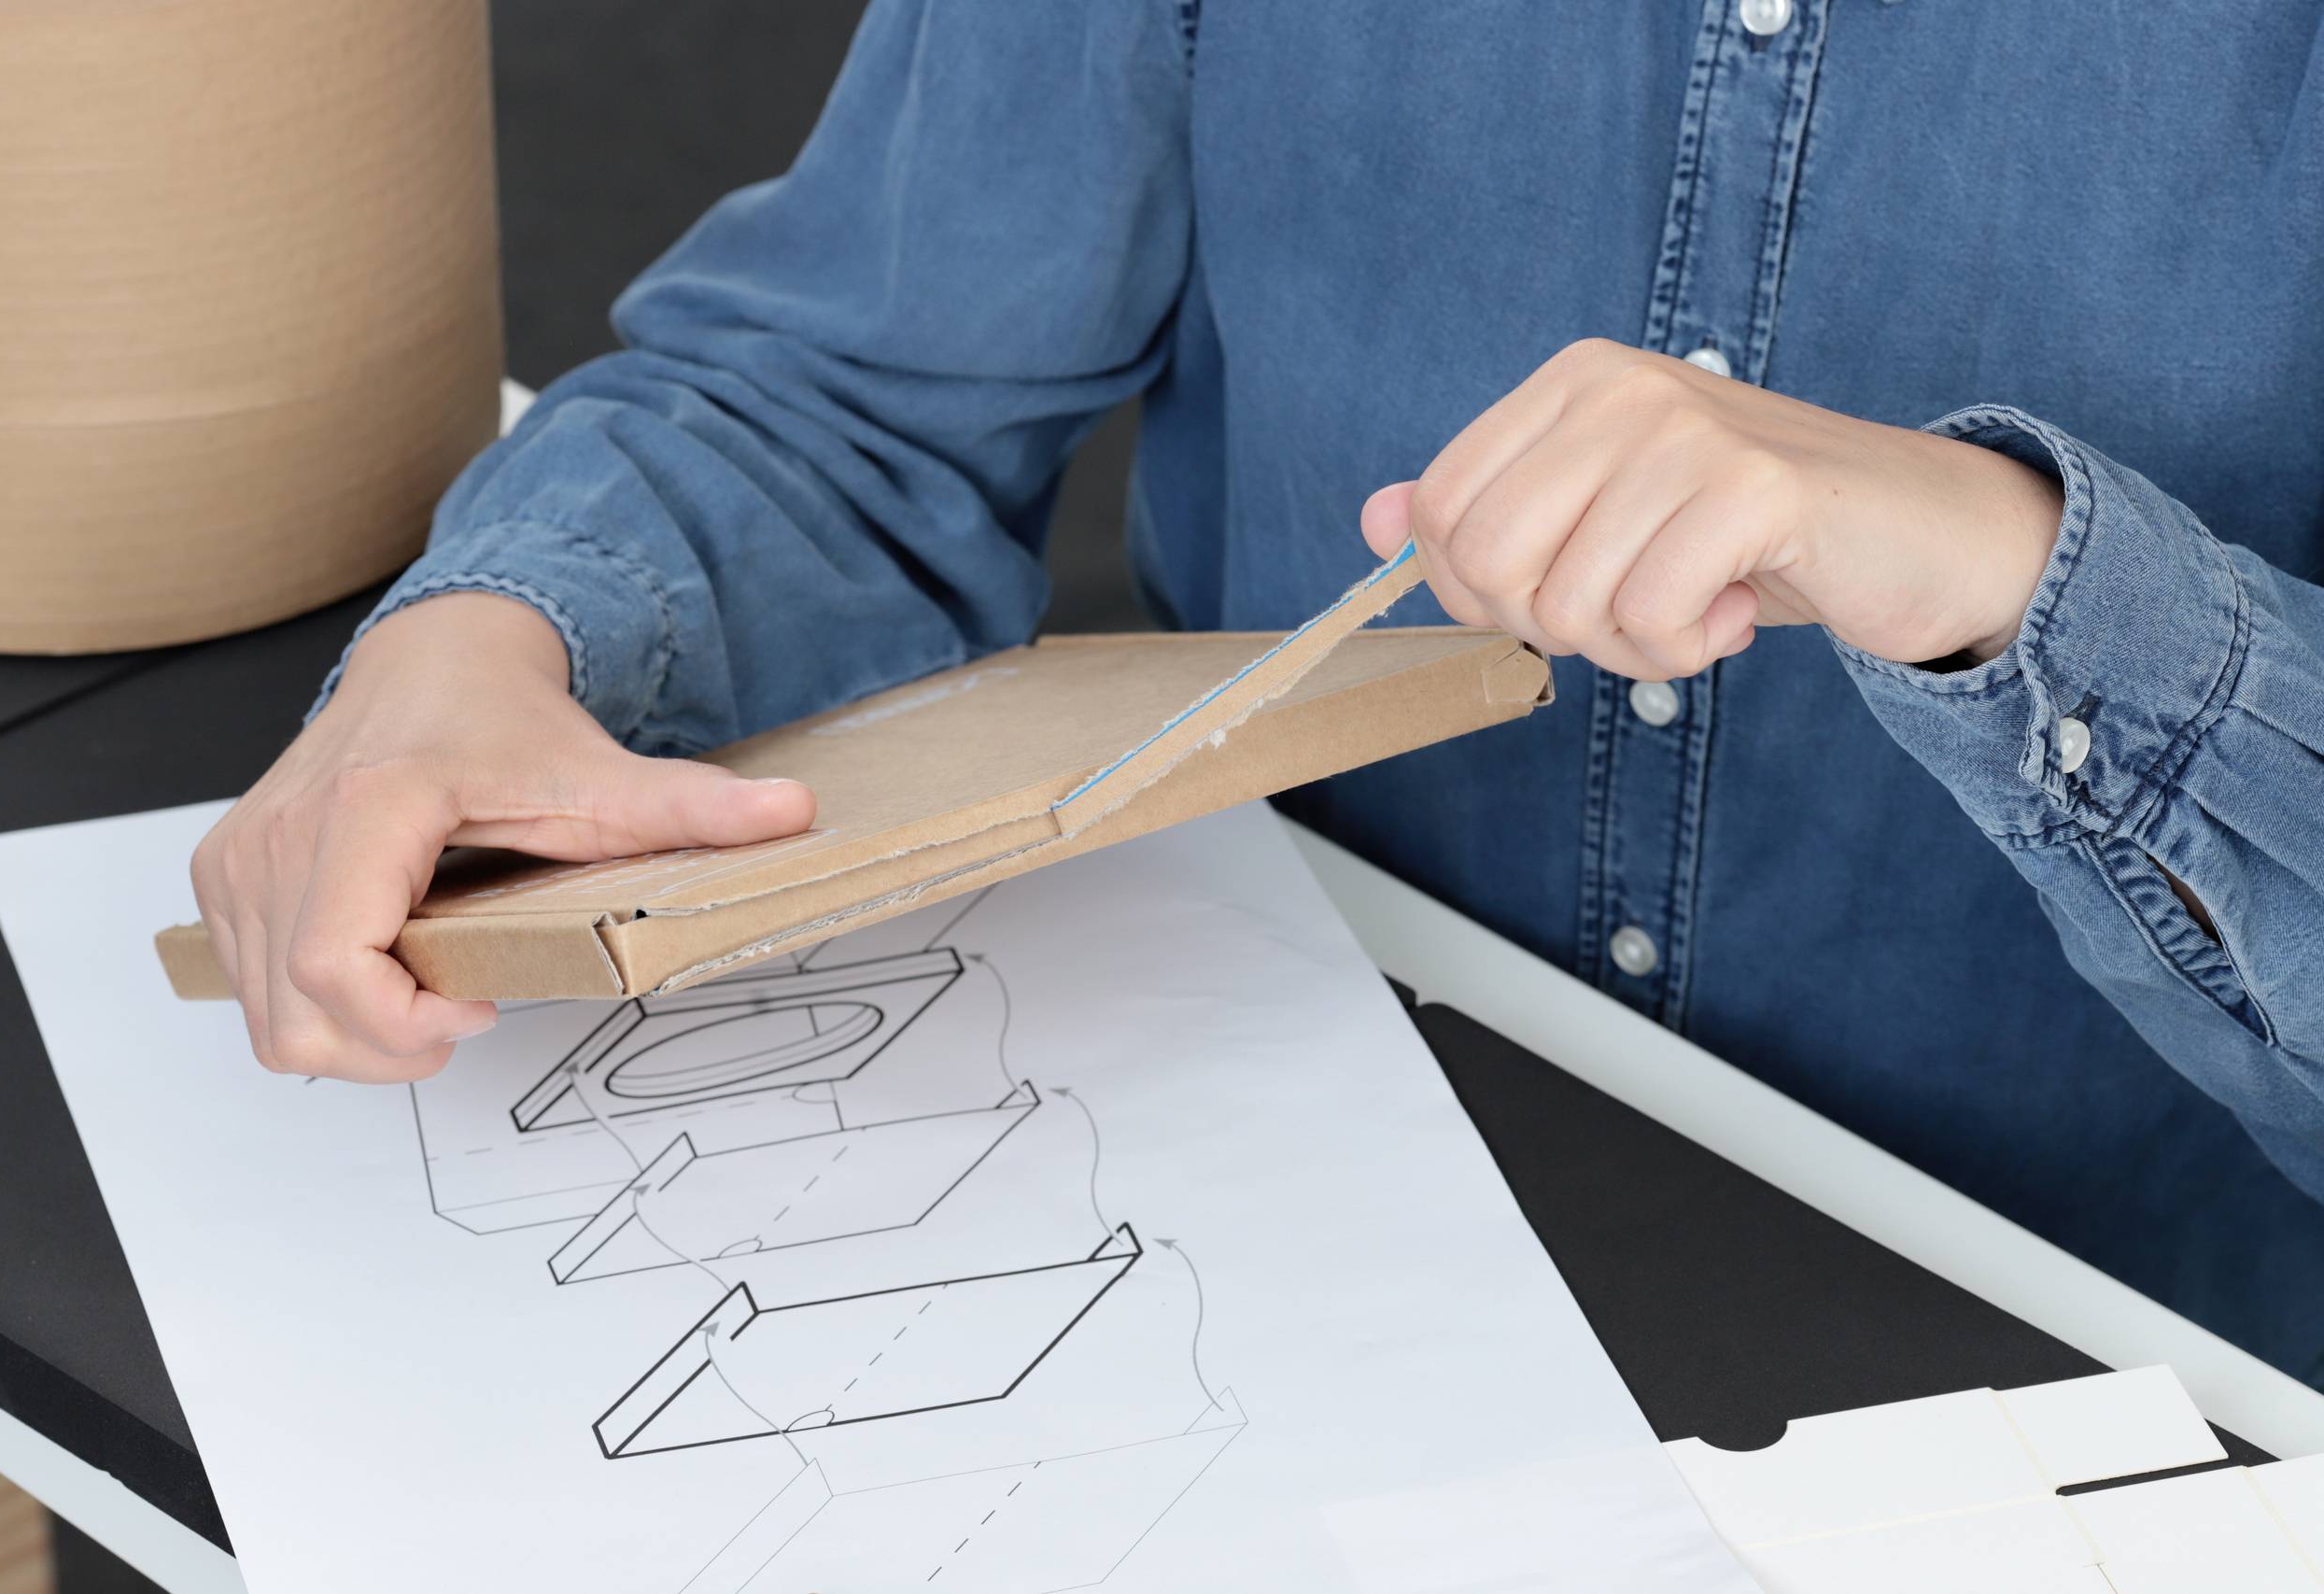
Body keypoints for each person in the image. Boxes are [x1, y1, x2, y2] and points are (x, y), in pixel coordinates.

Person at [191, 2, 2324, 1386]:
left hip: (2097, 1371)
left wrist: (2006, 573)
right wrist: (484, 644)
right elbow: (843, 387)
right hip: (1253, 1246)